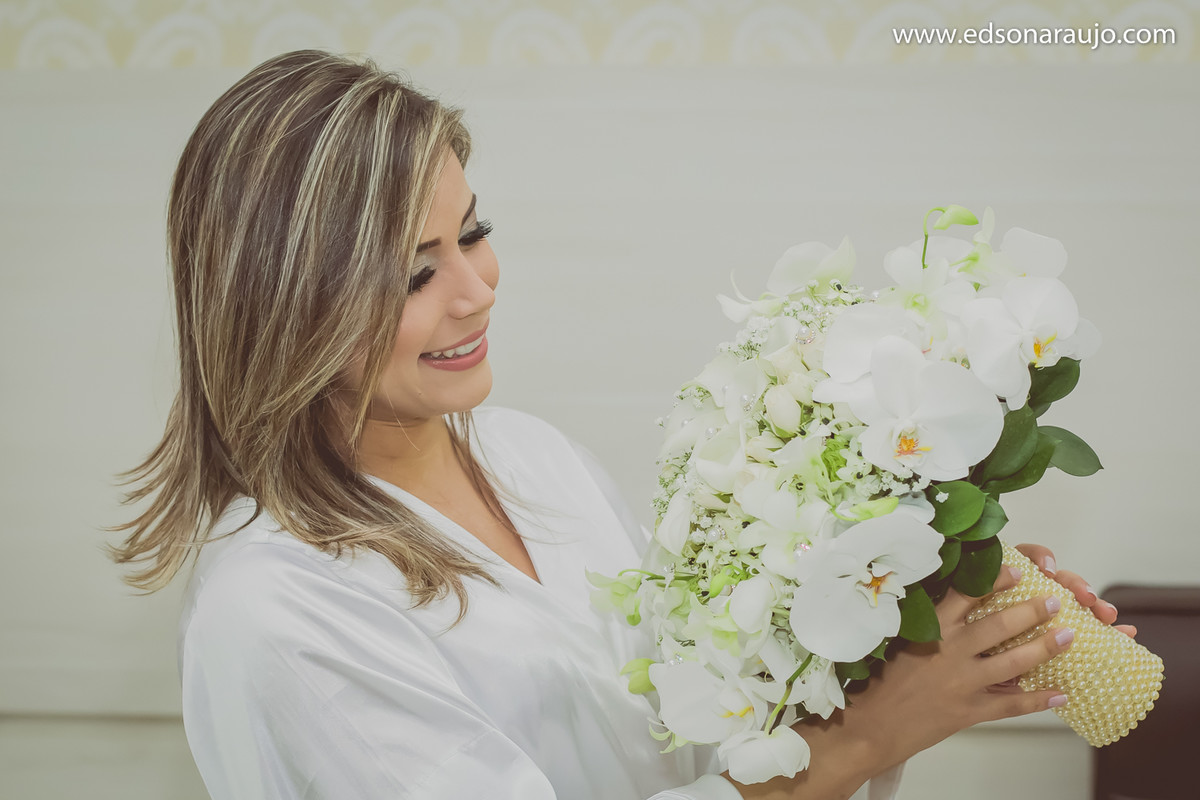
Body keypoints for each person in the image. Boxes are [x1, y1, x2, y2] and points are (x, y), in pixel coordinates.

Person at [110, 50, 1129, 800]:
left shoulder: (530, 457)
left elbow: (704, 743)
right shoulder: (276, 613)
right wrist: (857, 742)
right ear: (285, 308)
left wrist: (889, 628)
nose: (474, 292)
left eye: (473, 233)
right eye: (416, 272)